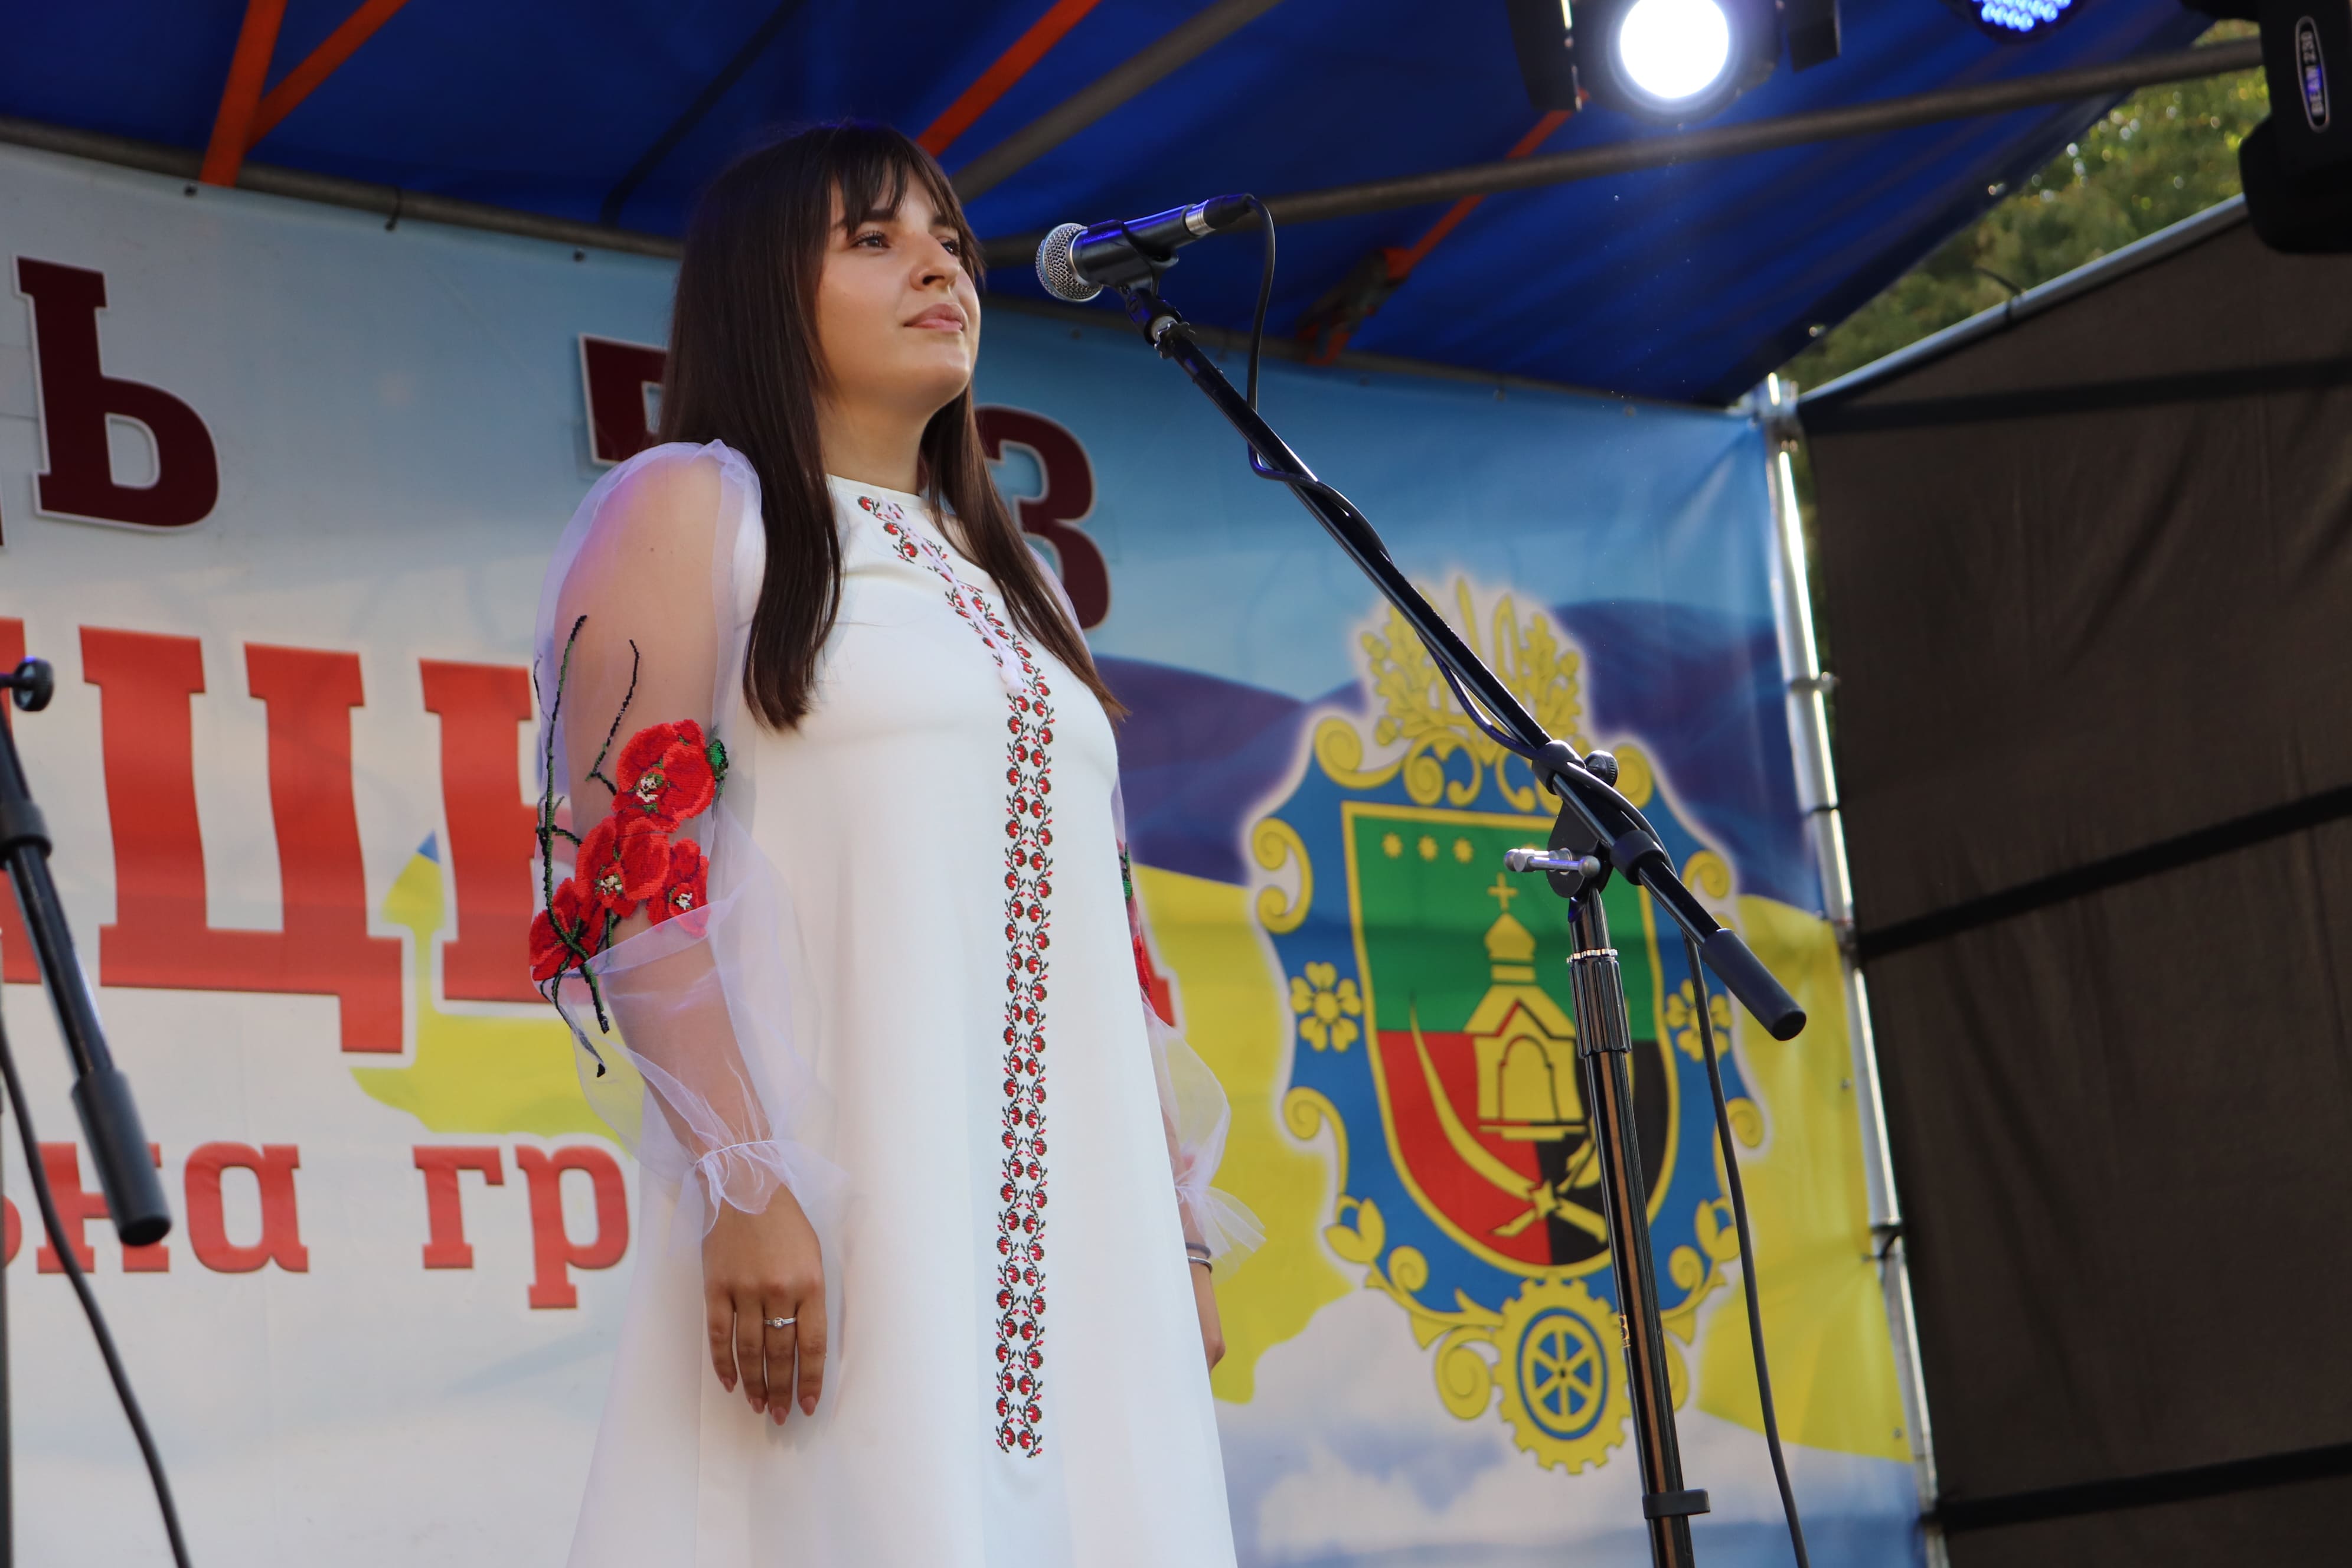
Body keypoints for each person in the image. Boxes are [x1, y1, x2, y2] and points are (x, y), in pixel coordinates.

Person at [526, 121, 1259, 1566]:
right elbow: (620, 877)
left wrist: (1173, 1216)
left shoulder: (1017, 578)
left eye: (951, 242)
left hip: (1088, 1221)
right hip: (849, 1196)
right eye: (875, 239)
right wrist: (745, 1177)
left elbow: (1098, 932)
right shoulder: (694, 509)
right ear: (760, 287)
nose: (940, 267)